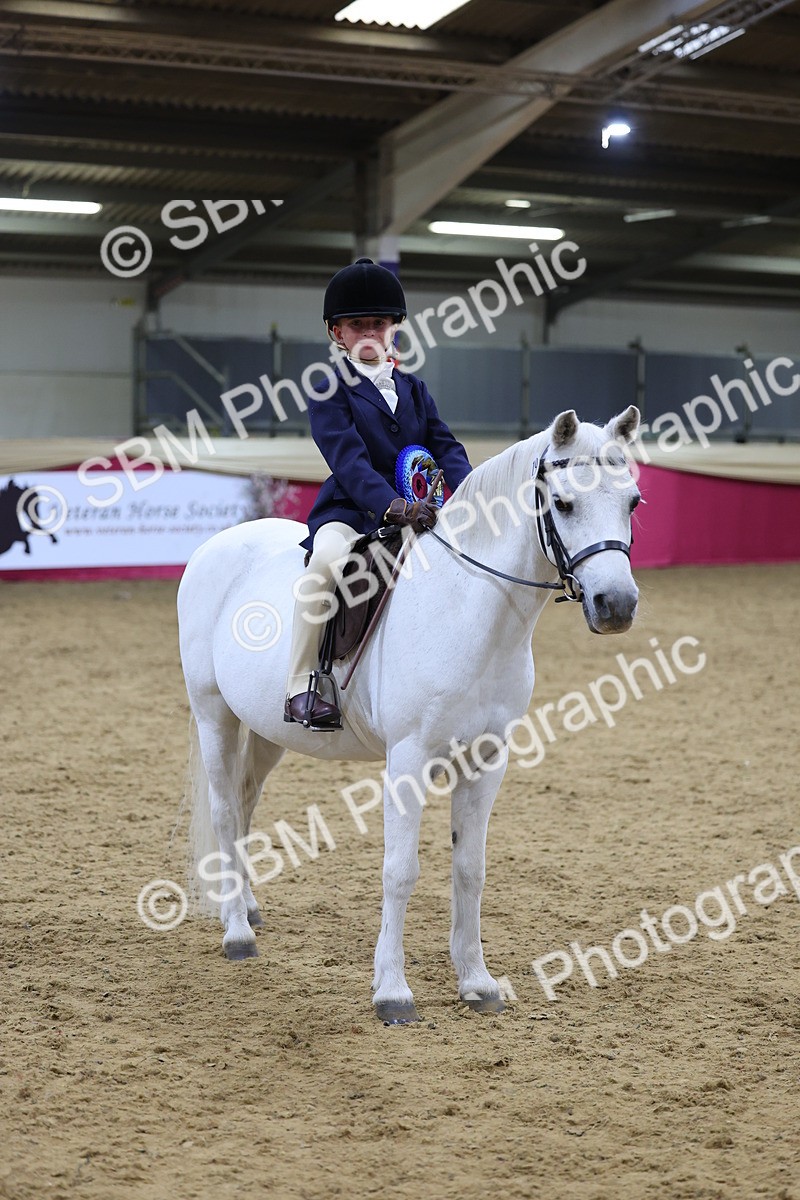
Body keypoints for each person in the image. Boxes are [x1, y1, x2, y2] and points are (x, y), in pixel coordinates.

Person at [284, 256, 473, 729]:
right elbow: (347, 459)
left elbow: (444, 445)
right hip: (353, 510)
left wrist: (469, 491)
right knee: (326, 564)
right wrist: (391, 505)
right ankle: (302, 683)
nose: (369, 332)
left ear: (395, 329)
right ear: (337, 333)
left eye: (379, 323)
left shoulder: (413, 389)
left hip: (421, 510)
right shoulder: (330, 390)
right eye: (356, 324)